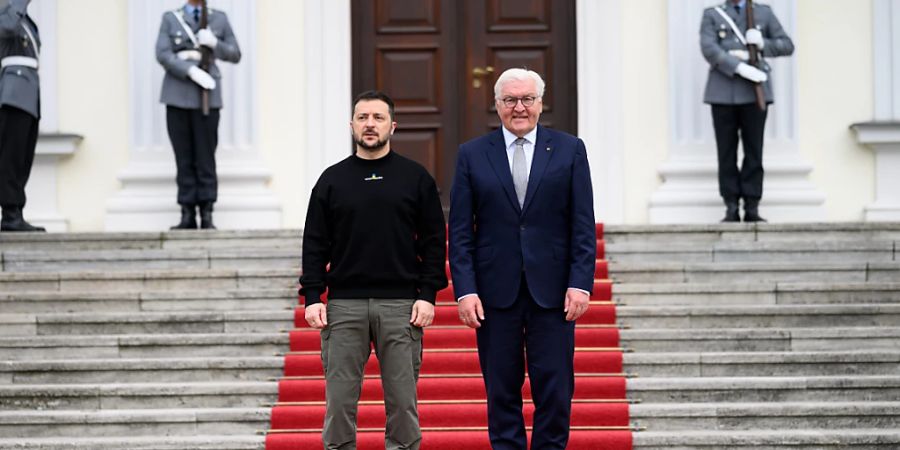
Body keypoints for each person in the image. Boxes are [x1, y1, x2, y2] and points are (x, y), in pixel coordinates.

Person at [448, 68, 596, 450]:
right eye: (510, 100)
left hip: (554, 293)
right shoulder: (472, 154)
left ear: (540, 103)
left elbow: (582, 225)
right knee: (501, 391)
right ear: (496, 105)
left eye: (527, 99)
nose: (519, 108)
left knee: (556, 391)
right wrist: (465, 292)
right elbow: (462, 231)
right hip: (496, 294)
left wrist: (580, 284)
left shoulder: (569, 149)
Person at [299, 91, 448, 450]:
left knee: (402, 405)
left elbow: (432, 242)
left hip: (401, 306)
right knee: (338, 404)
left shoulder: (415, 178)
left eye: (378, 118)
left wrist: (427, 296)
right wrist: (313, 297)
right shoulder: (331, 180)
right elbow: (315, 242)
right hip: (343, 307)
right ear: (351, 125)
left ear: (392, 126)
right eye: (363, 117)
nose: (370, 124)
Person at [700, 0, 794, 222]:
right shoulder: (713, 14)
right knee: (726, 152)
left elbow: (786, 45)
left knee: (754, 150)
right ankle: (731, 204)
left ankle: (752, 204)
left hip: (754, 93)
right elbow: (709, 47)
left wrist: (762, 44)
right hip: (723, 91)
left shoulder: (763, 12)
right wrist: (738, 67)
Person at [155, 0, 241, 230]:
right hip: (177, 94)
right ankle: (187, 212)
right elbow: (162, 53)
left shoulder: (218, 18)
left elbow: (235, 53)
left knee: (205, 157)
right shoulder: (171, 18)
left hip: (207, 97)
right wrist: (189, 70)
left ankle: (207, 211)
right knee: (183, 157)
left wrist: (214, 43)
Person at [0, 0, 44, 232]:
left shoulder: (24, 19)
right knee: (11, 156)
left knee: (22, 157)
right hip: (13, 92)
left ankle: (16, 211)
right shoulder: (7, 11)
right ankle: (10, 214)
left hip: (28, 93)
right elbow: (6, 28)